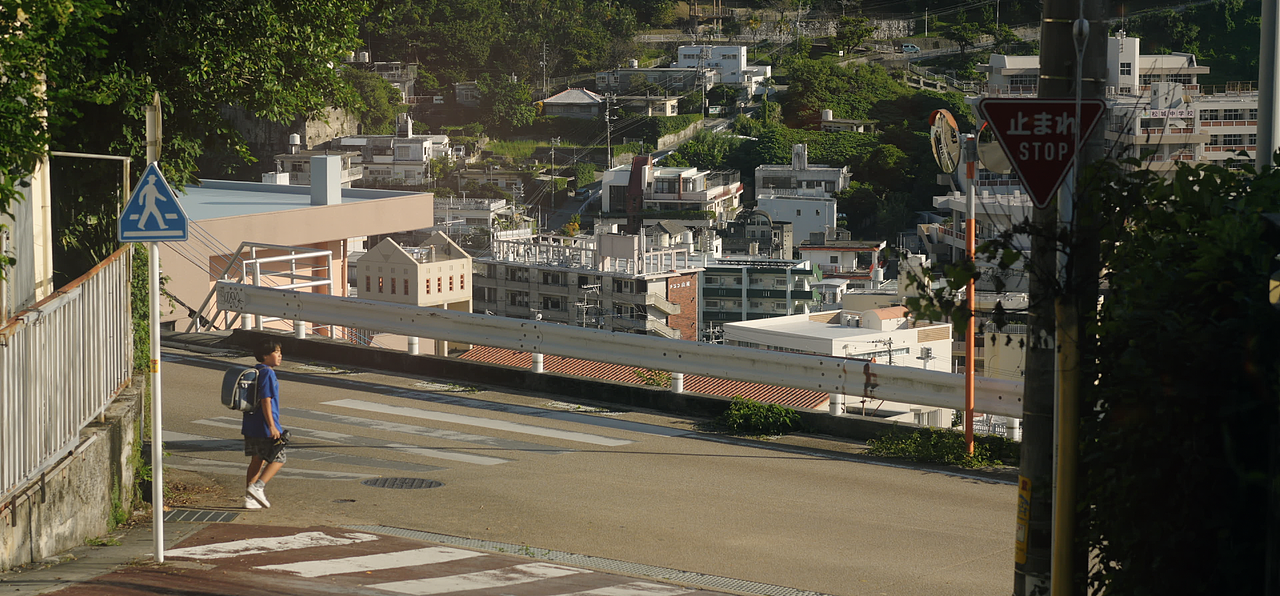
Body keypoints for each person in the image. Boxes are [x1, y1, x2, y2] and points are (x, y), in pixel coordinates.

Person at [243, 340, 285, 509]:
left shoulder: (255, 371)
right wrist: (272, 426)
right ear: (265, 356)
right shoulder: (268, 373)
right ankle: (257, 487)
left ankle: (250, 499)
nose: (280, 356)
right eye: (276, 353)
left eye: (280, 353)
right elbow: (266, 400)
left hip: (251, 424)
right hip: (264, 425)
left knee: (257, 460)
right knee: (280, 457)